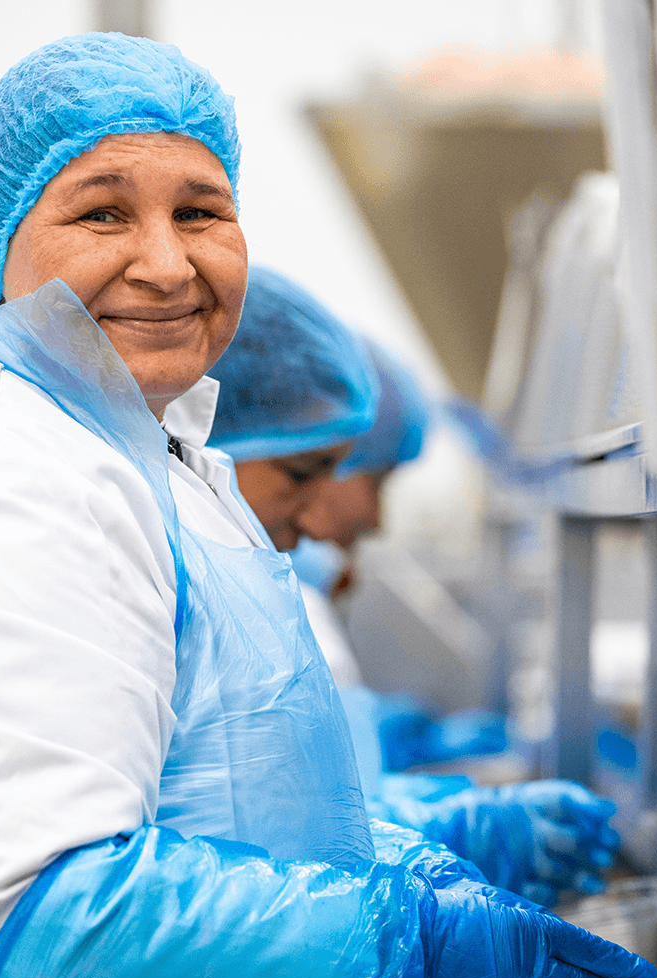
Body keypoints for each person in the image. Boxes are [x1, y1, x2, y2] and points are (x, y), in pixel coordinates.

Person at [0, 32, 656, 978]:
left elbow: (216, 800)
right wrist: (406, 950)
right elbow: (51, 919)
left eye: (201, 212)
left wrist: (398, 867)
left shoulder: (149, 449)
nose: (165, 263)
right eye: (101, 211)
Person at [207, 293, 618, 906]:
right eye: (310, 471)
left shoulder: (259, 588)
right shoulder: (190, 592)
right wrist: (440, 838)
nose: (370, 517)